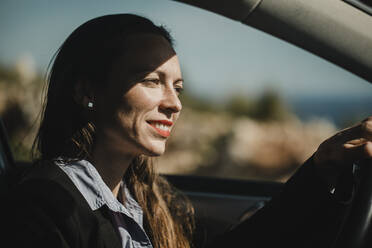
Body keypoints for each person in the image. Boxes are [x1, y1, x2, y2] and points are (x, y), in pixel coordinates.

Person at [2, 14, 372, 248]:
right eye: (152, 81)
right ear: (88, 92)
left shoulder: (148, 198)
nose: (174, 103)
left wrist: (321, 168)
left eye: (177, 88)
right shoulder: (44, 207)